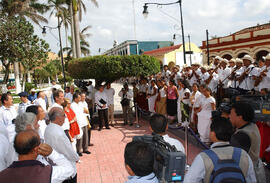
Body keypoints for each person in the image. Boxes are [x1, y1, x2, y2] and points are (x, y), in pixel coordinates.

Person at [184, 117, 256, 183]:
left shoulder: (204, 157)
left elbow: (189, 181)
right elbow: (252, 180)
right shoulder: (243, 155)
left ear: (212, 134)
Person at [0, 130, 74, 183]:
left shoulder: (3, 175)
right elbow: (69, 169)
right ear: (36, 149)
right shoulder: (48, 173)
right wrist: (52, 153)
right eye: (40, 142)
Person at [230, 102, 266, 183]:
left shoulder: (242, 135)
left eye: (231, 114)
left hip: (248, 175)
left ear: (240, 117)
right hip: (257, 170)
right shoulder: (252, 126)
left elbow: (233, 159)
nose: (229, 117)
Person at [44, 107, 79, 183]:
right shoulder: (58, 133)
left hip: (55, 167)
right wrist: (76, 157)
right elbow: (68, 151)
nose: (65, 117)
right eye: (64, 115)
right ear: (57, 117)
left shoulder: (49, 128)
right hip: (66, 171)